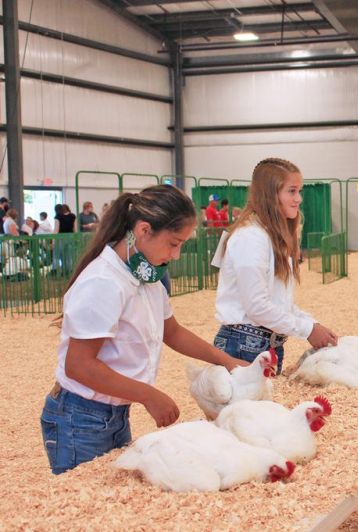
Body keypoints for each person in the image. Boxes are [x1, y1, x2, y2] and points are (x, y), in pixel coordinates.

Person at [39, 185, 248, 475]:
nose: (176, 255)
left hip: (112, 414)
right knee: (85, 507)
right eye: (174, 243)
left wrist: (225, 360)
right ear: (143, 230)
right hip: (79, 417)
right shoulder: (103, 282)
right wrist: (148, 395)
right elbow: (79, 366)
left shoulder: (147, 276)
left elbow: (172, 332)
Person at [212, 158, 337, 374]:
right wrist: (308, 329)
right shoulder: (250, 236)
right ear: (270, 194)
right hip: (244, 344)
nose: (298, 199)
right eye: (291, 191)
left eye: (299, 191)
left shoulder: (270, 236)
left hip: (266, 343)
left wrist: (313, 324)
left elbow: (277, 303)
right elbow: (257, 306)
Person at [54, 204, 77, 276]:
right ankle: (69, 271)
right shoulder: (73, 216)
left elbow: (56, 229)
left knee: (58, 256)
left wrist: (53, 240)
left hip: (61, 238)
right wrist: (75, 238)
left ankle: (57, 272)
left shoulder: (58, 216)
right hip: (71, 237)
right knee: (69, 256)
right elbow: (75, 228)